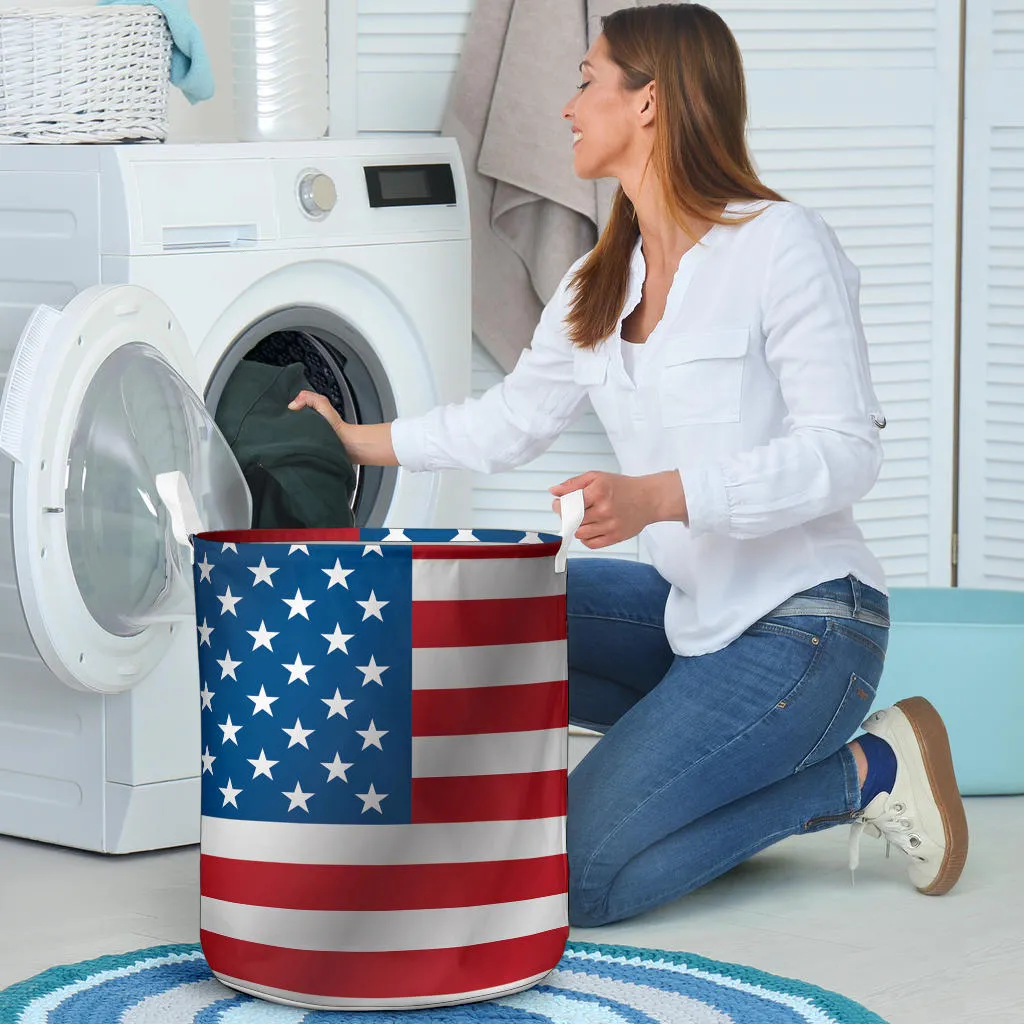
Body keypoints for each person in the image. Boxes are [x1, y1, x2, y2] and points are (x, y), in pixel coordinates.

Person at [289, 2, 968, 928]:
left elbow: (845, 454)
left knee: (578, 881)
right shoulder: (596, 280)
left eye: (585, 81)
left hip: (810, 627)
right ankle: (637, 778)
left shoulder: (779, 244)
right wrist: (362, 437)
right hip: (693, 620)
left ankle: (864, 773)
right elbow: (510, 422)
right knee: (465, 614)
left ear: (648, 103)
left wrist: (662, 497)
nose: (566, 107)